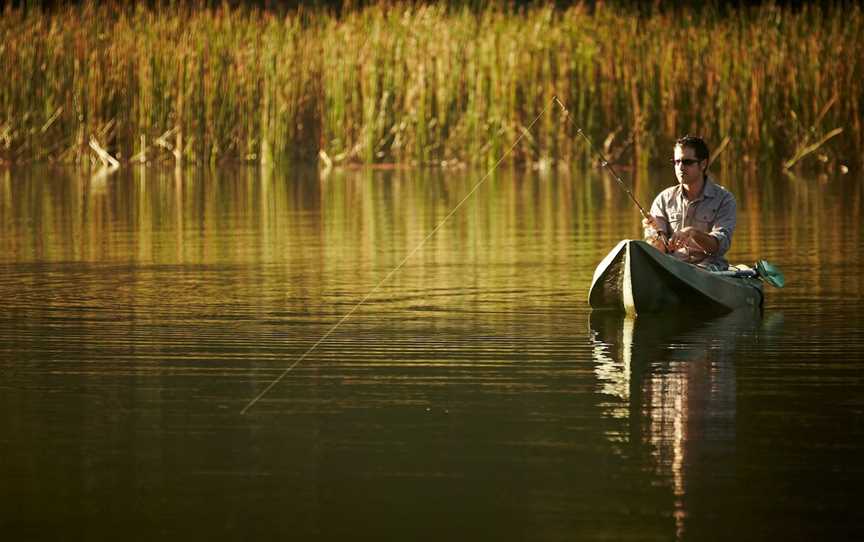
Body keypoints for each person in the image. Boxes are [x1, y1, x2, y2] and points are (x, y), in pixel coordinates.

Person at [642, 135, 736, 271]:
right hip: (672, 269)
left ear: (703, 164)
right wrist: (655, 234)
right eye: (676, 161)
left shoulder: (725, 199)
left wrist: (693, 233)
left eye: (687, 162)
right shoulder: (663, 199)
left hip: (710, 270)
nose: (680, 167)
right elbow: (659, 250)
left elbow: (719, 246)